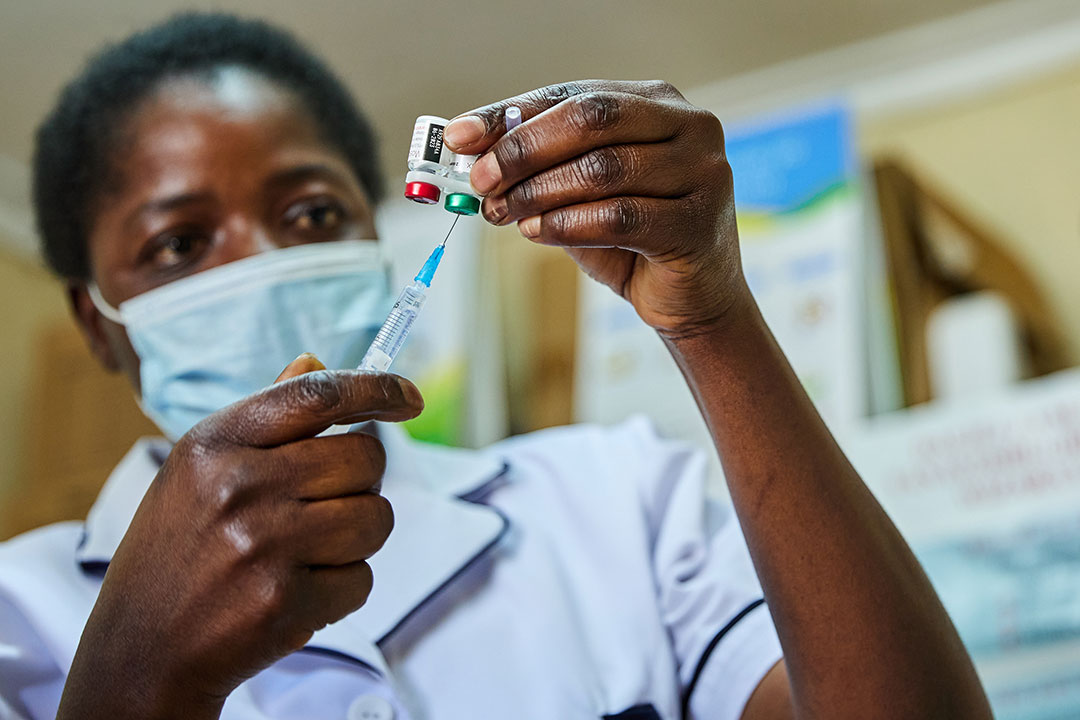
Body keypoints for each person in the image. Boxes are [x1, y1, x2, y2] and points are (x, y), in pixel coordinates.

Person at [0, 12, 992, 720]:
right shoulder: (23, 616)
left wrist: (712, 315)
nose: (266, 261)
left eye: (312, 216)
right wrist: (135, 680)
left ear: (381, 239)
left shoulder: (618, 504)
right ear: (99, 325)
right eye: (180, 243)